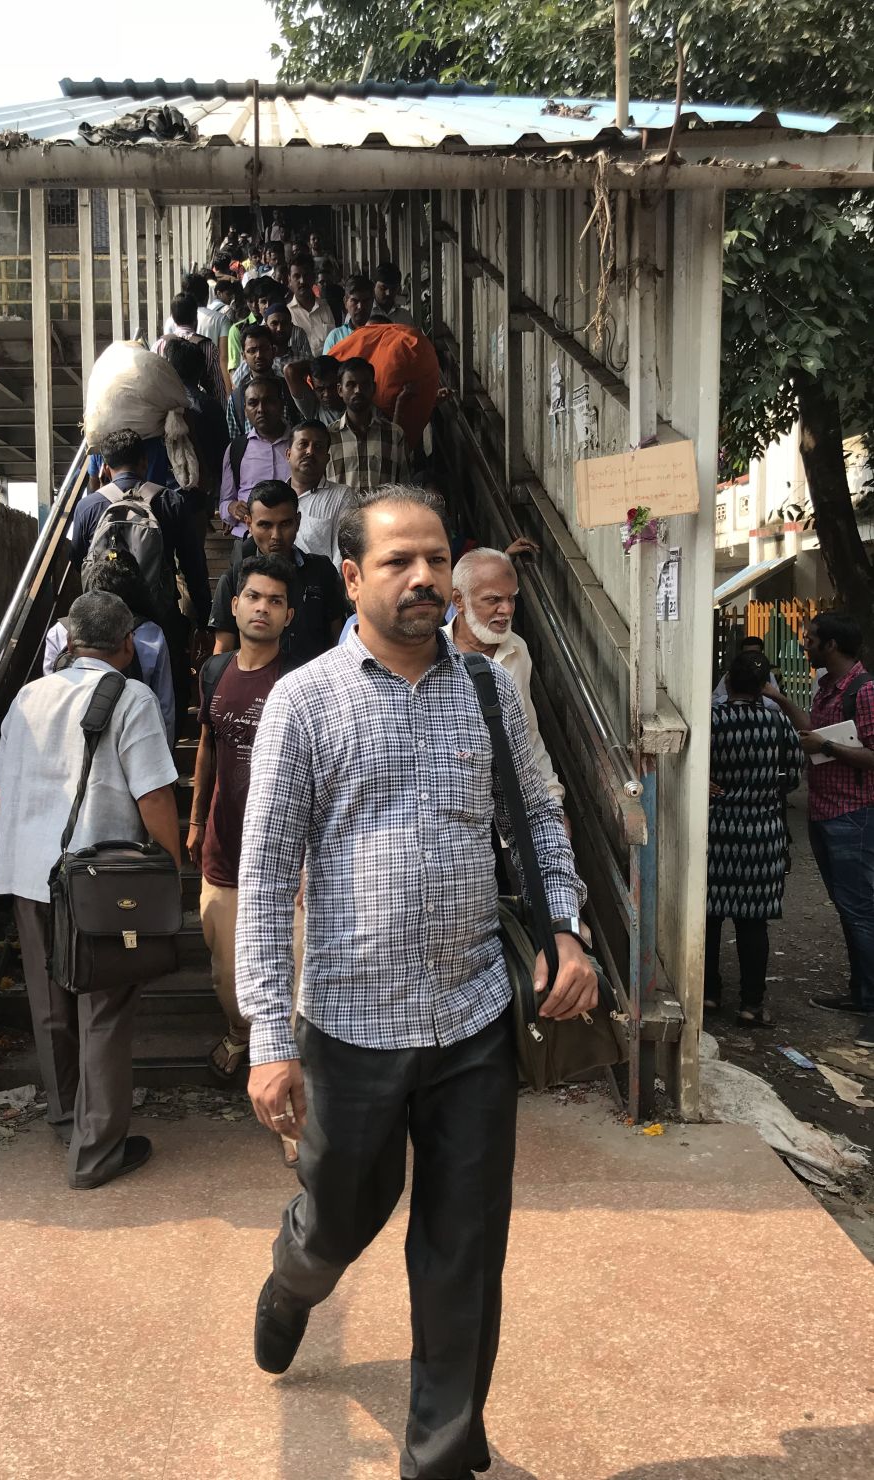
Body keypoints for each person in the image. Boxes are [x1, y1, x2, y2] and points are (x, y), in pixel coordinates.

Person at [236, 485, 593, 1480]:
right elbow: (264, 880)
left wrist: (564, 926)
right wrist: (269, 1036)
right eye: (400, 561)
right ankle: (293, 1277)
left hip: (473, 1012)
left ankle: (438, 1453)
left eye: (437, 557)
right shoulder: (304, 703)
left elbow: (544, 817)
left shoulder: (493, 692)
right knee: (343, 1216)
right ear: (351, 577)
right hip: (349, 1025)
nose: (427, 576)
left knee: (463, 1249)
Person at [0, 591, 181, 1189]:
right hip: (98, 884)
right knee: (103, 1006)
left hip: (28, 874)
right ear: (127, 644)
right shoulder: (132, 697)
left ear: (69, 642)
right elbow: (153, 794)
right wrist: (168, 871)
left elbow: (1, 790)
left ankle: (67, 1115)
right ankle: (97, 1153)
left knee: (50, 1005)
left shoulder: (27, 696)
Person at [189, 554, 296, 1093]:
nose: (262, 608)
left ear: (289, 615)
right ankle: (239, 1033)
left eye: (275, 601)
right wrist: (194, 819)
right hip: (223, 848)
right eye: (254, 597)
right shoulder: (214, 671)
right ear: (234, 606)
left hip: (287, 856)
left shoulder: (302, 680)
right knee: (228, 975)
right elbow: (208, 743)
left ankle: (294, 1104)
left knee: (294, 975)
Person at [767, 612, 874, 1046]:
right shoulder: (828, 688)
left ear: (830, 645)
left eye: (810, 639)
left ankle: (869, 999)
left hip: (854, 814)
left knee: (861, 909)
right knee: (849, 908)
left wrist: (826, 747)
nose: (805, 644)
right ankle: (860, 992)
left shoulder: (864, 692)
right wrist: (778, 698)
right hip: (825, 812)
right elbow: (813, 731)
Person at [70, 429, 211, 712]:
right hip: (161, 617)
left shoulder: (88, 507)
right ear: (145, 462)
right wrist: (205, 620)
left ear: (106, 468)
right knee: (168, 696)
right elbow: (193, 565)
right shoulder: (171, 501)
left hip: (103, 621)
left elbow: (77, 564)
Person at [705, 649, 804, 1027]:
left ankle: (710, 995)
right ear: (764, 687)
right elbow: (792, 777)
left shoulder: (712, 722)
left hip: (717, 830)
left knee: (711, 916)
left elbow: (693, 769)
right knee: (752, 923)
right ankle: (751, 1004)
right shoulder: (778, 725)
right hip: (763, 833)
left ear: (727, 681)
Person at [443, 545, 564, 808]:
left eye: (511, 598)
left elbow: (528, 733)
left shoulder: (517, 649)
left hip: (510, 821)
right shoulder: (431, 653)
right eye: (493, 599)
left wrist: (552, 800)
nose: (506, 610)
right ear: (458, 600)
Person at [43, 552, 176, 746]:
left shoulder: (60, 631)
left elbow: (50, 694)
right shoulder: (150, 634)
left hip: (70, 739)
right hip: (131, 737)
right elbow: (164, 705)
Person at [210, 480, 344, 665]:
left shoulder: (321, 572)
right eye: (265, 525)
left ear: (297, 522)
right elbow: (222, 652)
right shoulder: (233, 579)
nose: (276, 536)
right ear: (249, 524)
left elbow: (339, 640)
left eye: (285, 524)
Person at [219, 377, 292, 538]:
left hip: (293, 540)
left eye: (269, 401)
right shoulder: (237, 449)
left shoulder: (299, 444)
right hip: (248, 539)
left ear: (281, 405)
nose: (261, 409)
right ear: (245, 410)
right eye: (253, 403)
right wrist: (232, 508)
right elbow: (224, 502)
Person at [159, 336, 229, 503]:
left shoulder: (158, 403)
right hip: (201, 491)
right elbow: (223, 456)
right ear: (200, 371)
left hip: (162, 491)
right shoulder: (210, 406)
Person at [326, 358, 411, 492]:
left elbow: (404, 488)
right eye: (351, 385)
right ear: (340, 390)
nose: (358, 390)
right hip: (342, 513)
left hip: (384, 512)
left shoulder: (394, 434)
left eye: (365, 384)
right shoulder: (327, 437)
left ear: (374, 388)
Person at [284, 420, 356, 568]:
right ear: (288, 454)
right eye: (303, 444)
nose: (310, 451)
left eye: (318, 447)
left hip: (321, 588)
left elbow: (341, 557)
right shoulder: (274, 497)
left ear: (327, 458)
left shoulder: (341, 496)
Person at [154, 291, 226, 405]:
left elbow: (154, 385)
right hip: (200, 412)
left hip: (167, 410)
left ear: (172, 317)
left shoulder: (159, 345)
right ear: (195, 316)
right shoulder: (209, 347)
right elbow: (218, 389)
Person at [713, 634, 784, 707]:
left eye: (755, 654)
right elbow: (714, 700)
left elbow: (778, 704)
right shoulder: (730, 675)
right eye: (747, 654)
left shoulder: (768, 675)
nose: (751, 657)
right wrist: (733, 698)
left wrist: (761, 698)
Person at [287, 252, 336, 357]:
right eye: (297, 276)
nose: (302, 281)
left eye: (306, 275)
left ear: (313, 277)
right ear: (289, 280)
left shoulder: (329, 307)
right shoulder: (285, 315)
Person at [283, 353, 344, 428]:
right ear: (312, 384)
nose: (327, 394)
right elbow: (289, 370)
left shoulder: (353, 398)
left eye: (332, 387)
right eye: (320, 389)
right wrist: (313, 365)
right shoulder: (313, 407)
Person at [323, 276, 376, 352]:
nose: (360, 306)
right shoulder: (335, 337)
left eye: (365, 301)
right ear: (345, 302)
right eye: (355, 301)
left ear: (372, 302)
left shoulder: (382, 334)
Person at [264, 301, 311, 371]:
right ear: (266, 327)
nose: (279, 328)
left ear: (291, 326)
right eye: (274, 323)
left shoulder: (304, 360)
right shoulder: (260, 362)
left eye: (284, 323)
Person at [372, 261, 414, 326]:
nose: (388, 293)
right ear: (374, 286)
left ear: (399, 288)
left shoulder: (405, 317)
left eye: (393, 289)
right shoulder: (365, 314)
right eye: (383, 288)